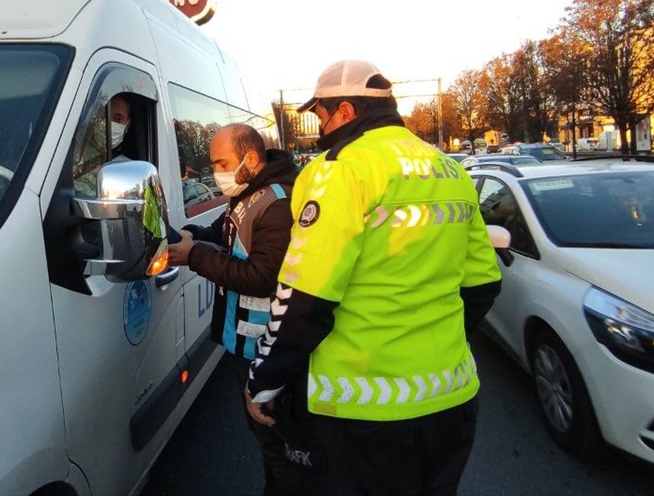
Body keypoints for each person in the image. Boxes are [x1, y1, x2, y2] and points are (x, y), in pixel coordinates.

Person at [244, 60, 503, 495]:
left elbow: (305, 294)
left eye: (320, 116)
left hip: (364, 414)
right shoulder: (447, 169)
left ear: (344, 111)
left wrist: (265, 380)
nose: (320, 127)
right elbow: (482, 285)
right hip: (452, 398)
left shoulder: (338, 169)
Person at [167, 124, 298, 495]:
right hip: (247, 342)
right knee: (264, 439)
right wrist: (188, 235)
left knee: (280, 449)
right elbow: (221, 232)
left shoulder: (277, 203)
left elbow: (261, 277)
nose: (216, 173)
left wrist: (194, 256)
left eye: (221, 163)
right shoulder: (248, 194)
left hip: (269, 348)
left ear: (251, 159)